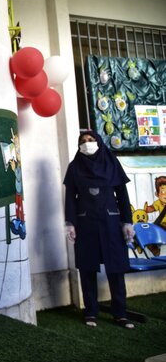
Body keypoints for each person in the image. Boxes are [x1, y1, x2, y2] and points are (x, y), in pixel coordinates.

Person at [63, 130, 136, 329]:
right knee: (87, 269)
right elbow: (70, 198)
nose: (87, 143)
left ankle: (120, 314)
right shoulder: (74, 167)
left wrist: (127, 222)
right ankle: (91, 312)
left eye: (91, 140)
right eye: (83, 141)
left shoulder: (112, 163)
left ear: (99, 142)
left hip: (111, 223)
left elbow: (122, 195)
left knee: (116, 269)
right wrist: (70, 223)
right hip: (86, 223)